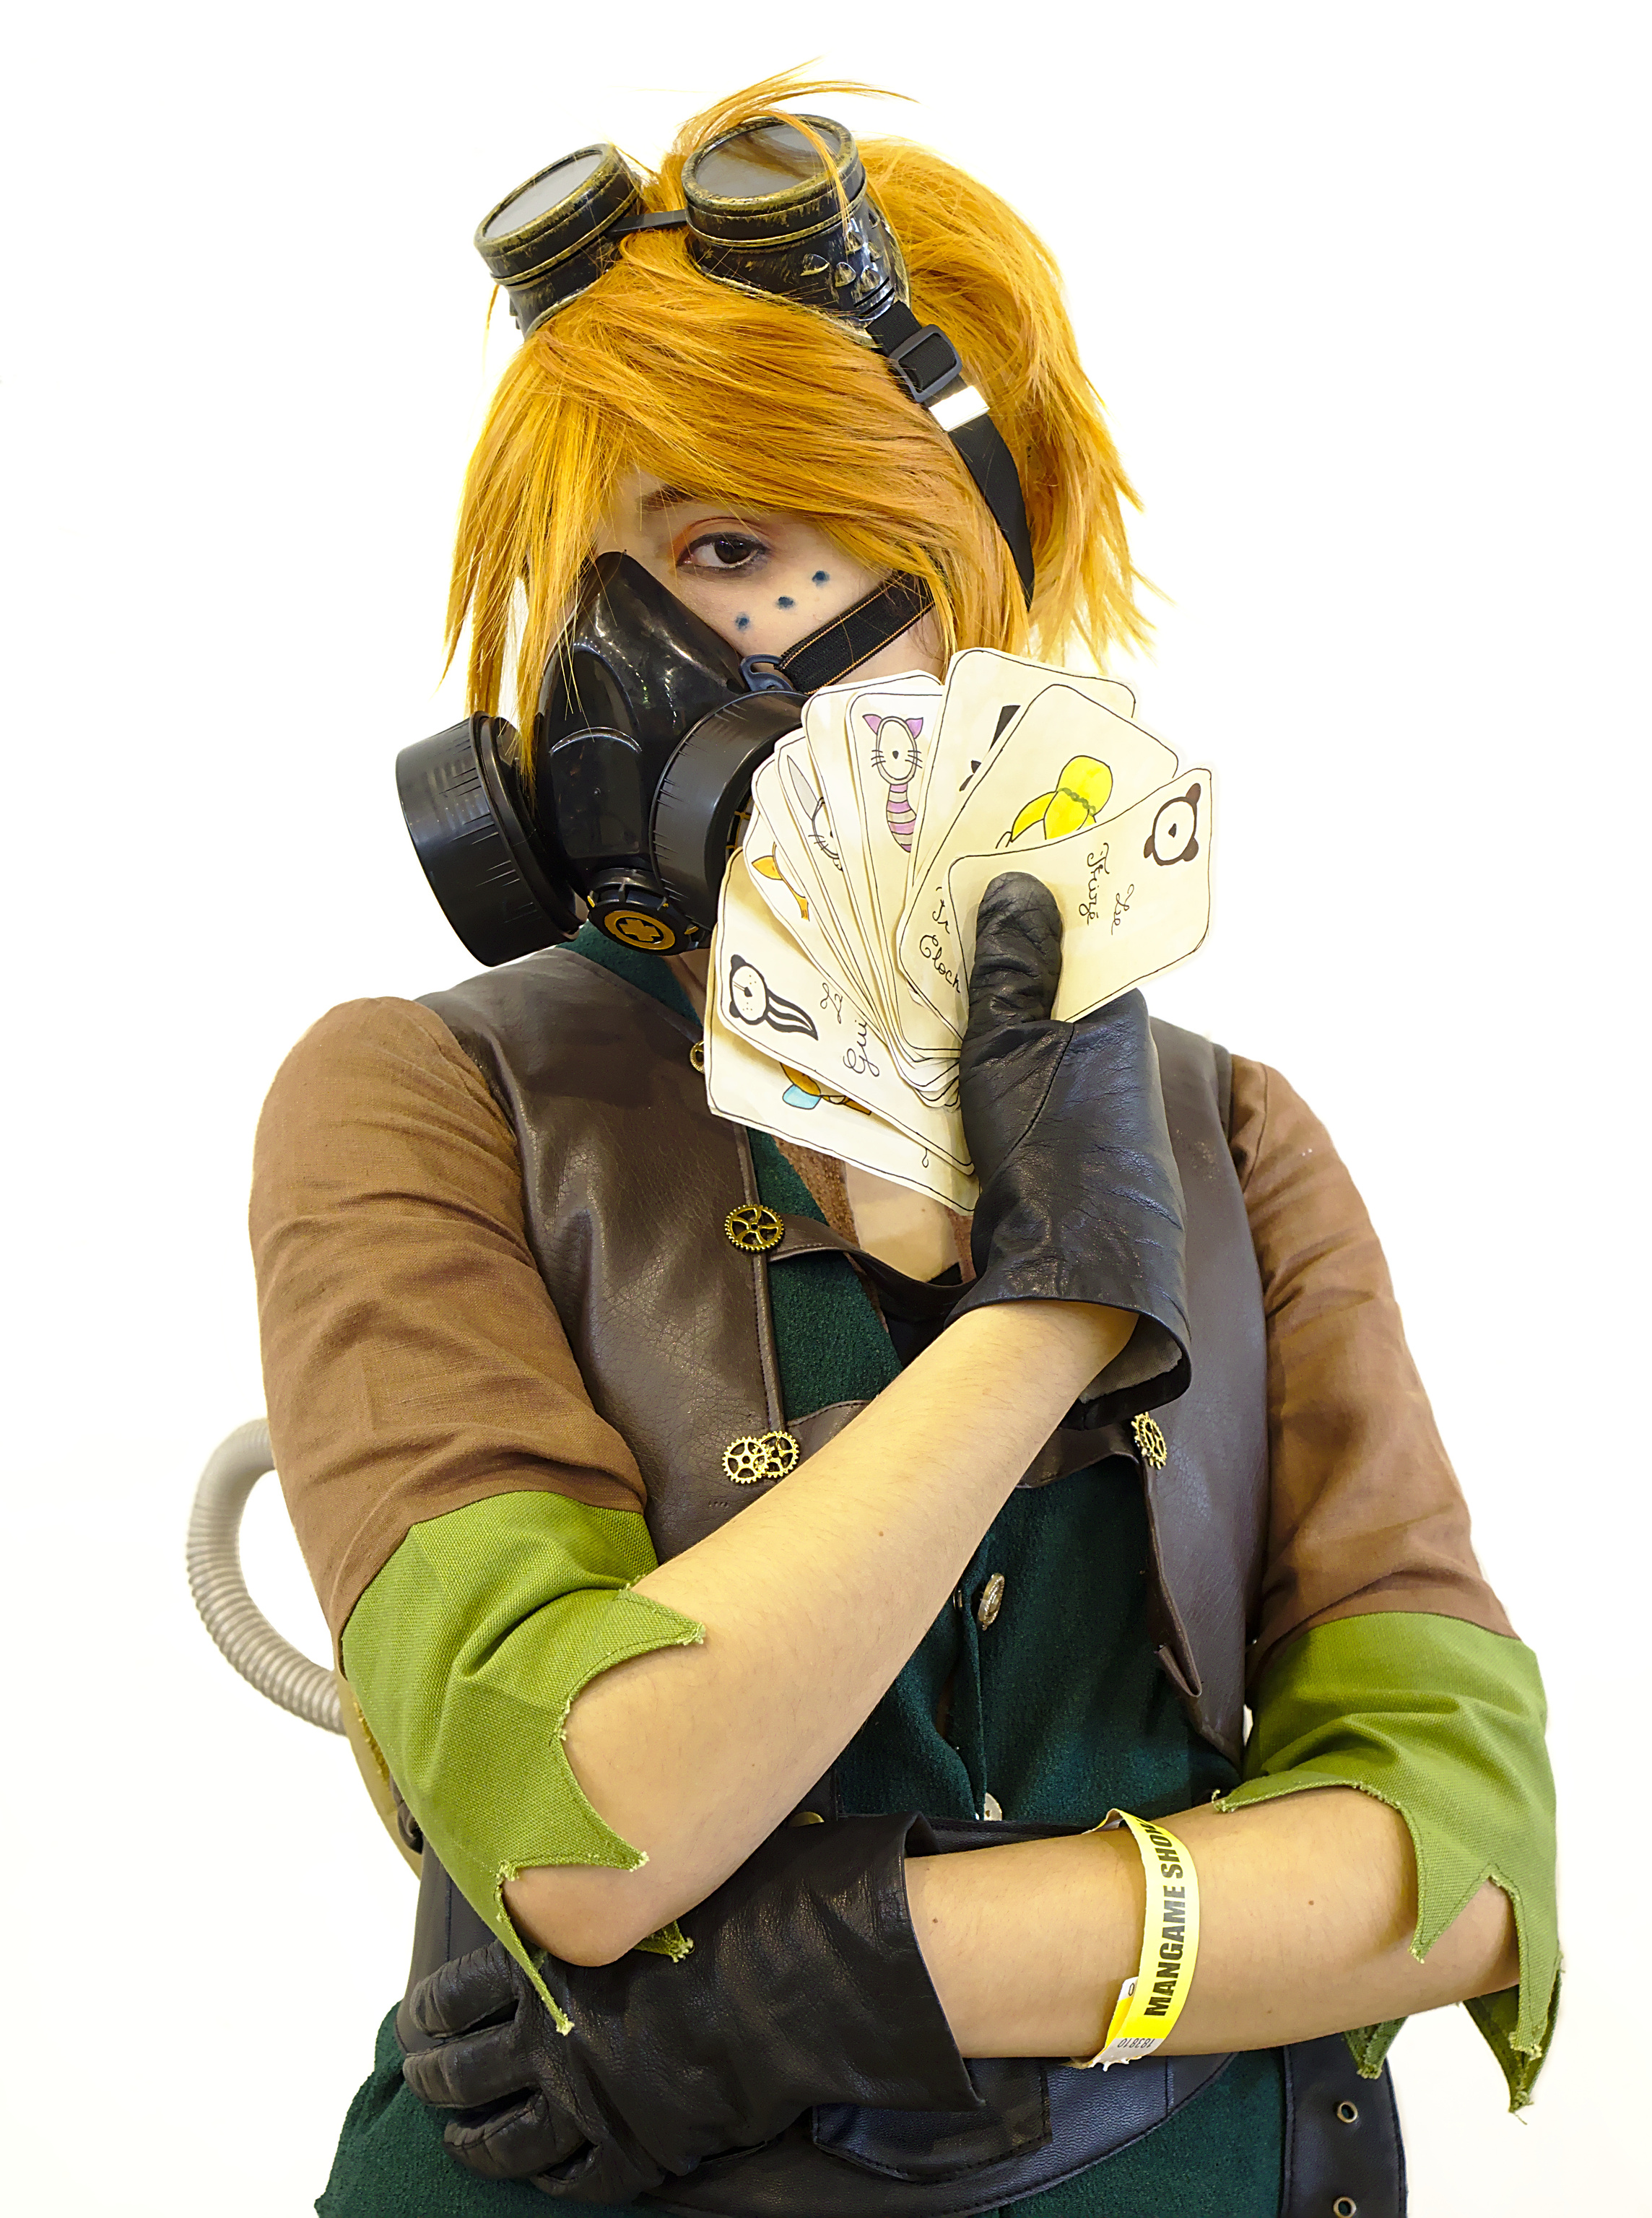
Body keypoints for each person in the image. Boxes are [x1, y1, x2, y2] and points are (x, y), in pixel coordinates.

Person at [249, 74, 1557, 2218]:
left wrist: (868, 1970)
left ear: (956, 596)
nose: (619, 661)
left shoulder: (1233, 1140)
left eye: (728, 552)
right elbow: (578, 1822)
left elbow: (1467, 1859)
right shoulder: (417, 1100)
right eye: (588, 577)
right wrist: (1046, 1322)